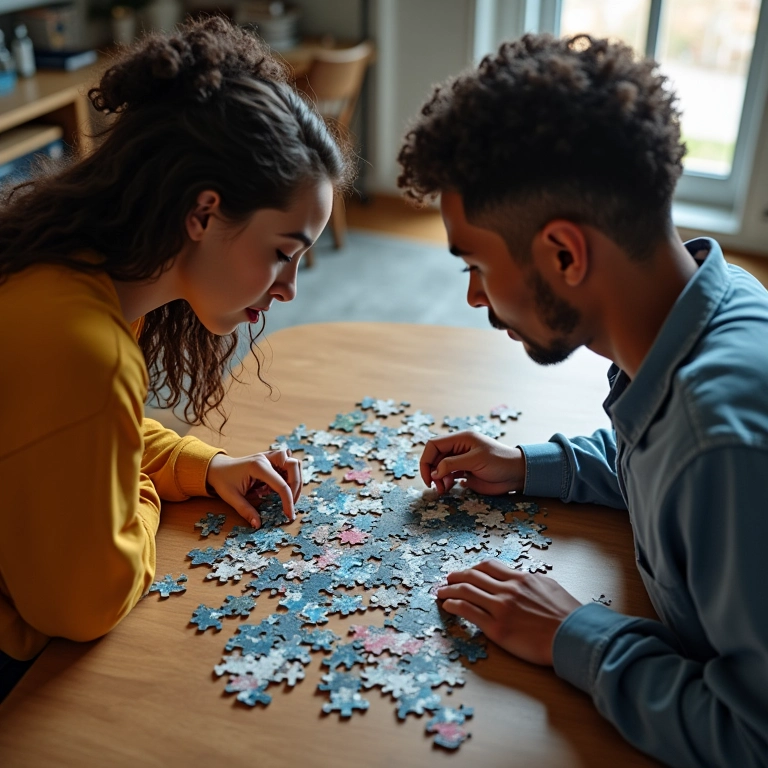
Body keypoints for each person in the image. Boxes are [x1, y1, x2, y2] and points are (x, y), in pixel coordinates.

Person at [398, 33, 768, 768]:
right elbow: (651, 458)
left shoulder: (720, 449)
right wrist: (528, 464)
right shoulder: (716, 310)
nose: (474, 296)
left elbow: (753, 736)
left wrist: (573, 635)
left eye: (476, 265)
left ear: (564, 254)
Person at [0, 17, 352, 698]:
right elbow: (83, 608)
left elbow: (81, 438)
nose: (290, 289)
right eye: (282, 253)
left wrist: (206, 465)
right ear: (205, 213)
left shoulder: (66, 271)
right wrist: (146, 491)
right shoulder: (86, 348)